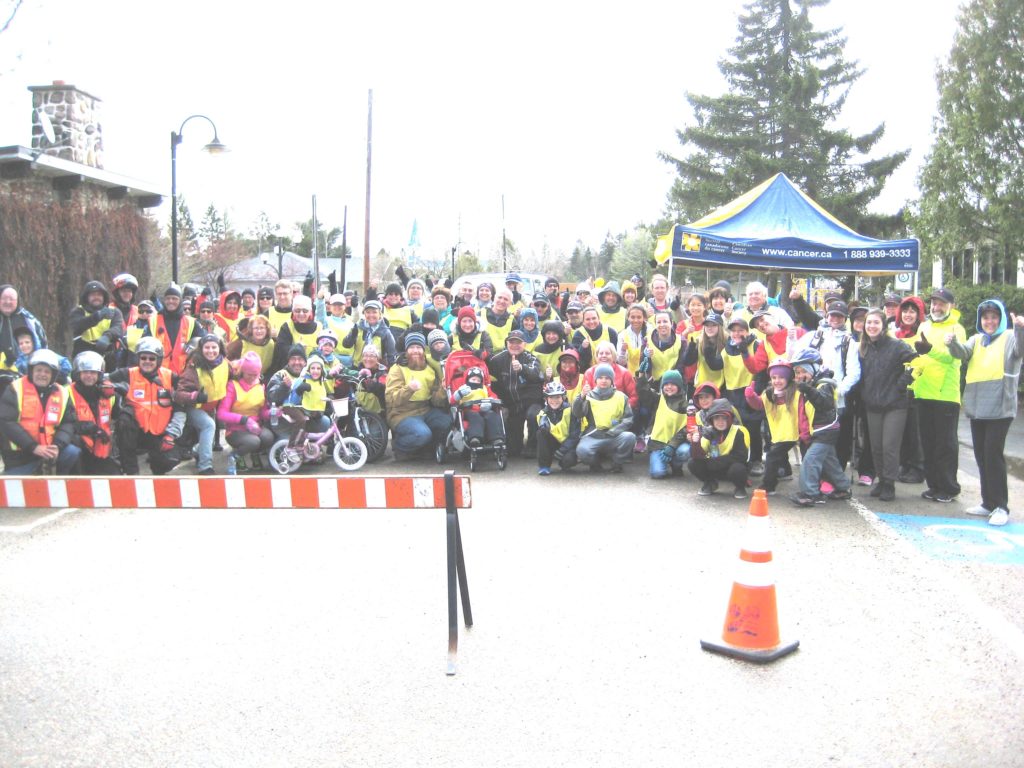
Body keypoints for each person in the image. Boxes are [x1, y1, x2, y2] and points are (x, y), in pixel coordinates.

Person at [948, 300, 1024, 527]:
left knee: (993, 455)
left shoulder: (1010, 336)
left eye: (994, 317)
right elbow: (962, 353)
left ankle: (1001, 506)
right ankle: (988, 503)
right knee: (981, 455)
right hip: (978, 406)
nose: (989, 322)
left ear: (1001, 319)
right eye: (985, 318)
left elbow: (1020, 350)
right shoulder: (976, 339)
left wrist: (1020, 328)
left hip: (1000, 408)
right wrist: (952, 343)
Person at [913, 288, 967, 503]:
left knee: (945, 445)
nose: (936, 307)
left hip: (946, 395)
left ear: (951, 306)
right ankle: (934, 485)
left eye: (941, 303)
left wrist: (931, 350)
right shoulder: (924, 325)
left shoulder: (957, 328)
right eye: (934, 303)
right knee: (928, 442)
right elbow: (919, 355)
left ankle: (949, 488)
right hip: (924, 390)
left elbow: (954, 358)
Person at [858, 308, 918, 502]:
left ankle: (890, 483)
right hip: (873, 404)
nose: (872, 326)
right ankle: (882, 480)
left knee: (889, 445)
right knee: (875, 446)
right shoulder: (864, 348)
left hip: (895, 404)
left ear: (883, 325)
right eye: (869, 322)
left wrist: (902, 384)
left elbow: (917, 363)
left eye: (876, 322)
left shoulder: (897, 346)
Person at [787, 349, 853, 506]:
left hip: (826, 430)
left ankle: (810, 494)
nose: (800, 375)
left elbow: (825, 403)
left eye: (804, 371)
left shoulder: (825, 384)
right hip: (818, 430)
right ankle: (843, 488)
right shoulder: (809, 385)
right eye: (797, 372)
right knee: (829, 461)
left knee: (810, 461)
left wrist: (808, 390)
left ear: (814, 370)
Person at [108, 337, 181, 476]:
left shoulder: (170, 377)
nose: (147, 361)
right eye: (143, 358)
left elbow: (183, 399)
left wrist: (171, 434)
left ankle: (158, 469)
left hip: (160, 433)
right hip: (134, 432)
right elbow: (103, 380)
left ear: (158, 360)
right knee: (124, 420)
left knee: (169, 460)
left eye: (152, 358)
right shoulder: (127, 374)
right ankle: (131, 472)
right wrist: (114, 387)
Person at [0, 349, 80, 474]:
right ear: (31, 371)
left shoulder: (62, 393)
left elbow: (69, 422)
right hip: (20, 455)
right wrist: (33, 447)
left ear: (53, 375)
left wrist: (57, 446)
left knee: (72, 452)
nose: (42, 374)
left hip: (50, 450)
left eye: (47, 371)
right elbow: (6, 421)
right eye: (38, 370)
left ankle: (56, 481)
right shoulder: (15, 388)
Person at [385, 332, 450, 459]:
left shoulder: (429, 369)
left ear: (424, 350)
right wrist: (409, 389)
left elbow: (436, 401)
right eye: (412, 347)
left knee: (447, 422)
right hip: (402, 414)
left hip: (425, 410)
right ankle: (399, 447)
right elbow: (391, 399)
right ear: (406, 350)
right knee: (422, 434)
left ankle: (429, 448)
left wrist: (443, 389)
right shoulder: (397, 369)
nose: (415, 351)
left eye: (419, 347)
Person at [173, 334, 231, 474]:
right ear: (201, 349)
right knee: (209, 426)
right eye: (207, 347)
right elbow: (179, 394)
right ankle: (205, 466)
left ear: (220, 348)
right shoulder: (194, 366)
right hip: (193, 407)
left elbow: (236, 373)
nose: (210, 351)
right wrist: (196, 396)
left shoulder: (225, 363)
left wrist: (252, 376)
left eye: (214, 347)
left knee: (208, 440)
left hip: (212, 407)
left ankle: (195, 451)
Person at [745, 360, 799, 496]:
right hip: (780, 433)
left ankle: (769, 485)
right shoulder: (769, 393)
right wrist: (750, 396)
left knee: (772, 456)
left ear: (788, 378)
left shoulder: (796, 393)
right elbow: (759, 405)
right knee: (778, 454)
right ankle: (786, 471)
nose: (777, 381)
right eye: (774, 377)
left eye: (781, 377)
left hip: (795, 432)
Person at [488, 330, 544, 458]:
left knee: (533, 415)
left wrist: (522, 369)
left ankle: (532, 445)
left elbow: (536, 374)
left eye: (518, 342)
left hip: (532, 403)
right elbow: (488, 377)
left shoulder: (531, 358)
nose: (514, 345)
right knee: (513, 451)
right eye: (511, 342)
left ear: (524, 344)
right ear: (506, 343)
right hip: (512, 405)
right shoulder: (497, 360)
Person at [572, 363, 635, 473]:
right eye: (600, 378)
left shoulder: (621, 396)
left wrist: (614, 431)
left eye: (607, 378)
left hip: (614, 435)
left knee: (630, 437)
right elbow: (578, 414)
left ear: (612, 380)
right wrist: (581, 397)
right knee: (582, 451)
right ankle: (595, 463)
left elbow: (628, 419)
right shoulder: (588, 396)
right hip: (593, 436)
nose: (604, 380)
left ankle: (617, 463)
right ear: (595, 380)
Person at [218, 352, 273, 473]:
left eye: (256, 374)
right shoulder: (232, 386)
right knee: (253, 442)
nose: (253, 377)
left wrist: (271, 413)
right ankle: (235, 456)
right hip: (235, 430)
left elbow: (262, 411)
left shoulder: (260, 386)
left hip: (255, 427)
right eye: (249, 374)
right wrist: (244, 420)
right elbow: (221, 414)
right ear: (243, 371)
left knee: (268, 437)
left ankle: (255, 455)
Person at [67, 351, 120, 474]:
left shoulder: (108, 394)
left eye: (93, 372)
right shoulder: (66, 393)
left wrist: (122, 391)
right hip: (80, 447)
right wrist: (92, 429)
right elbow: (64, 424)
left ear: (99, 374)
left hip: (102, 448)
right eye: (85, 372)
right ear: (78, 373)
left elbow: (119, 415)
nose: (89, 376)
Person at [893, 296, 927, 484]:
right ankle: (904, 464)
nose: (908, 315)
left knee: (915, 432)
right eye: (905, 311)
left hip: (917, 389)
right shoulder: (895, 334)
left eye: (912, 311)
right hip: (899, 389)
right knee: (903, 431)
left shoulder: (923, 334)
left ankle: (917, 467)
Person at [687, 397, 750, 498]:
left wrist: (717, 461)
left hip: (730, 468)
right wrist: (695, 443)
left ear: (729, 419)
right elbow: (698, 455)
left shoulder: (738, 432)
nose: (720, 421)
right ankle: (710, 483)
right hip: (714, 467)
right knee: (692, 463)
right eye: (717, 418)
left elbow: (741, 456)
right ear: (712, 420)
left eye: (724, 418)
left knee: (738, 468)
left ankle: (740, 487)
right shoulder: (708, 432)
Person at [646, 369, 690, 479]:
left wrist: (672, 446)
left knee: (685, 451)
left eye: (673, 384)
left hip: (677, 444)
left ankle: (676, 465)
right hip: (658, 444)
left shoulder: (686, 404)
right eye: (666, 384)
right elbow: (644, 392)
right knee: (657, 474)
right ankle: (662, 463)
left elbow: (686, 427)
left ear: (679, 386)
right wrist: (642, 376)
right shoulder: (657, 398)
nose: (669, 387)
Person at [70, 280, 124, 361]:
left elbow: (118, 328)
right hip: (83, 354)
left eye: (99, 295)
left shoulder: (114, 311)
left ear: (104, 297)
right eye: (93, 295)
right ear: (86, 297)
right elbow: (76, 325)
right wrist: (96, 317)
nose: (96, 297)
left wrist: (107, 336)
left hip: (107, 353)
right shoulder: (78, 311)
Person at [452, 366, 505, 448]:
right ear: (468, 379)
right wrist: (459, 394)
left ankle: (496, 438)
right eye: (473, 379)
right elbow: (453, 400)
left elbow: (494, 397)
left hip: (484, 409)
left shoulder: (485, 388)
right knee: (475, 417)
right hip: (468, 410)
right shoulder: (464, 388)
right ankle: (475, 438)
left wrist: (490, 402)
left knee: (492, 415)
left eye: (478, 380)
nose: (476, 382)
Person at [152, 285, 200, 375]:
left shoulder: (191, 322)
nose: (171, 301)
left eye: (174, 299)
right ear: (164, 301)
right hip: (158, 373)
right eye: (168, 298)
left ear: (180, 301)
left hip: (183, 373)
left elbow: (202, 340)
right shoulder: (153, 321)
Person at [0, 285, 49, 374]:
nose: (7, 301)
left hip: (24, 373)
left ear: (17, 301)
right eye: (4, 298)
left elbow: (42, 345)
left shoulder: (29, 320)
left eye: (11, 299)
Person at [535, 380, 580, 475]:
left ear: (563, 398)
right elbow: (543, 433)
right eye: (551, 397)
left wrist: (562, 450)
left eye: (557, 397)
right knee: (540, 433)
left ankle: (563, 463)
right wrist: (544, 426)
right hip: (552, 444)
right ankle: (544, 466)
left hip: (566, 444)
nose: (554, 400)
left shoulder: (571, 411)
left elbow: (575, 435)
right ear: (546, 399)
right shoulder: (543, 413)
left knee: (569, 460)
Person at [341, 299, 397, 367]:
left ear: (380, 314)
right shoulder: (358, 327)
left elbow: (392, 355)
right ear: (364, 313)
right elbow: (346, 345)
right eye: (368, 312)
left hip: (376, 370)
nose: (371, 315)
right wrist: (352, 335)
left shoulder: (385, 332)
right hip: (356, 367)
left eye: (374, 312)